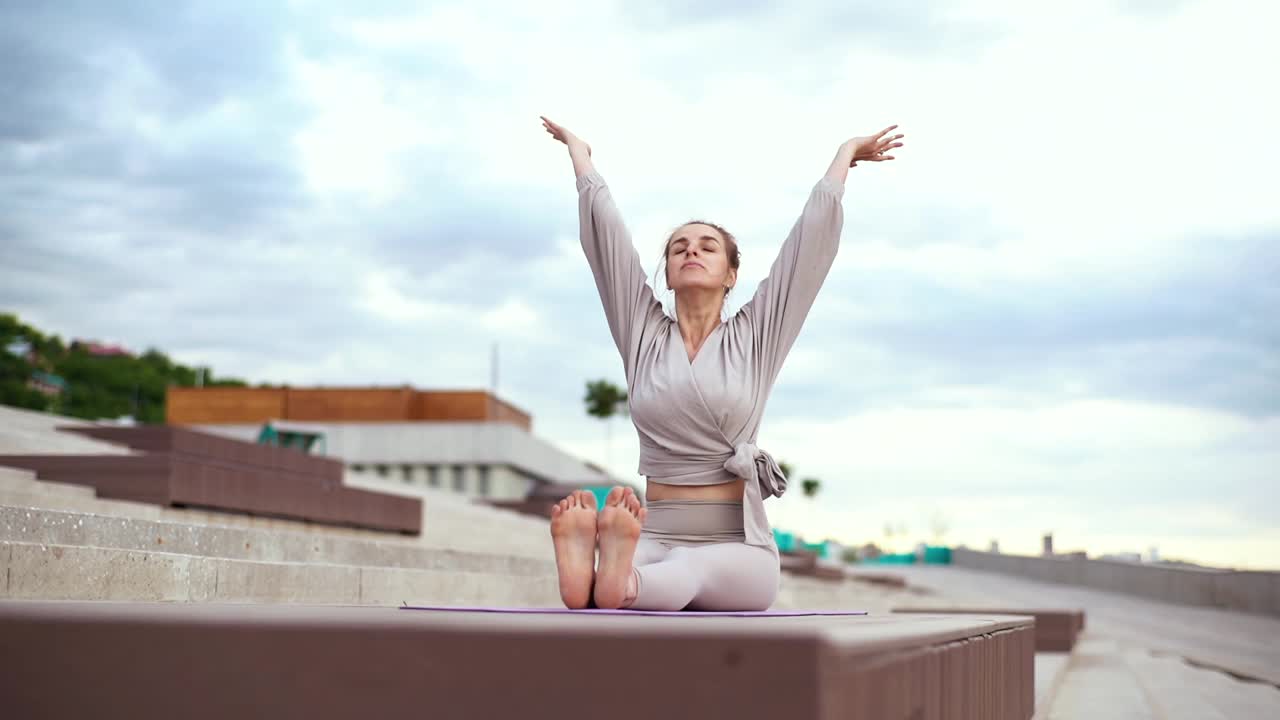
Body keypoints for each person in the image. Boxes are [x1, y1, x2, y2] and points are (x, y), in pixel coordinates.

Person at [541, 115, 904, 611]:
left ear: (732, 274)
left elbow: (806, 251)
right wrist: (582, 160)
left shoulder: (757, 336)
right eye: (679, 248)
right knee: (655, 567)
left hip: (735, 549)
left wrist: (843, 158)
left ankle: (611, 585)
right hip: (655, 532)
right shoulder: (641, 333)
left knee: (684, 571)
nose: (692, 251)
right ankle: (602, 578)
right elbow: (609, 251)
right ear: (665, 276)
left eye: (707, 247)